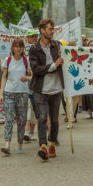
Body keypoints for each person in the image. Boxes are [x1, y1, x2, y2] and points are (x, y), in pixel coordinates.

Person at [29, 18, 65, 161]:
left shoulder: (57, 45)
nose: (53, 31)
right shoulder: (34, 49)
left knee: (55, 120)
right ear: (42, 30)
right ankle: (42, 145)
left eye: (53, 29)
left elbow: (65, 61)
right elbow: (36, 69)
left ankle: (51, 144)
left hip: (56, 89)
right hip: (40, 89)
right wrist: (53, 66)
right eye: (50, 29)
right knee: (42, 118)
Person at [0, 38, 32, 154]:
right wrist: (1, 93)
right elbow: (4, 77)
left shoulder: (26, 61)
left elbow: (32, 76)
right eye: (16, 46)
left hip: (22, 93)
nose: (18, 48)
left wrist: (26, 78)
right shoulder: (8, 60)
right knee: (9, 118)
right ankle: (7, 144)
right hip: (9, 92)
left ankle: (19, 144)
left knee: (21, 119)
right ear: (12, 48)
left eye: (20, 46)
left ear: (23, 48)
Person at [24, 29, 39, 141]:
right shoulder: (22, 50)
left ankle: (32, 132)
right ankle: (26, 131)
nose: (34, 38)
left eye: (35, 36)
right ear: (27, 38)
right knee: (26, 108)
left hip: (36, 84)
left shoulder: (40, 49)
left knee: (34, 109)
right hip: (25, 84)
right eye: (32, 37)